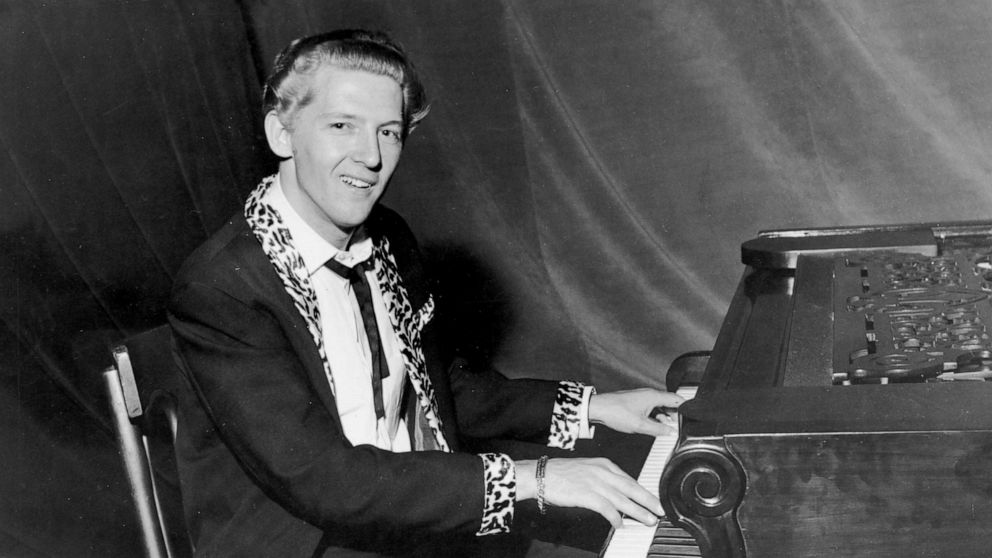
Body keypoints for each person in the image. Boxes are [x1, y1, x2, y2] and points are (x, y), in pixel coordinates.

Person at [168, 29, 684, 557]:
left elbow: (440, 388)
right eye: (342, 126)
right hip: (310, 542)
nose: (370, 156)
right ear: (282, 134)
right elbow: (325, 480)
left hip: (408, 517)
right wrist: (534, 478)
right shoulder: (222, 287)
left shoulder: (388, 235)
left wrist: (594, 408)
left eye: (388, 132)